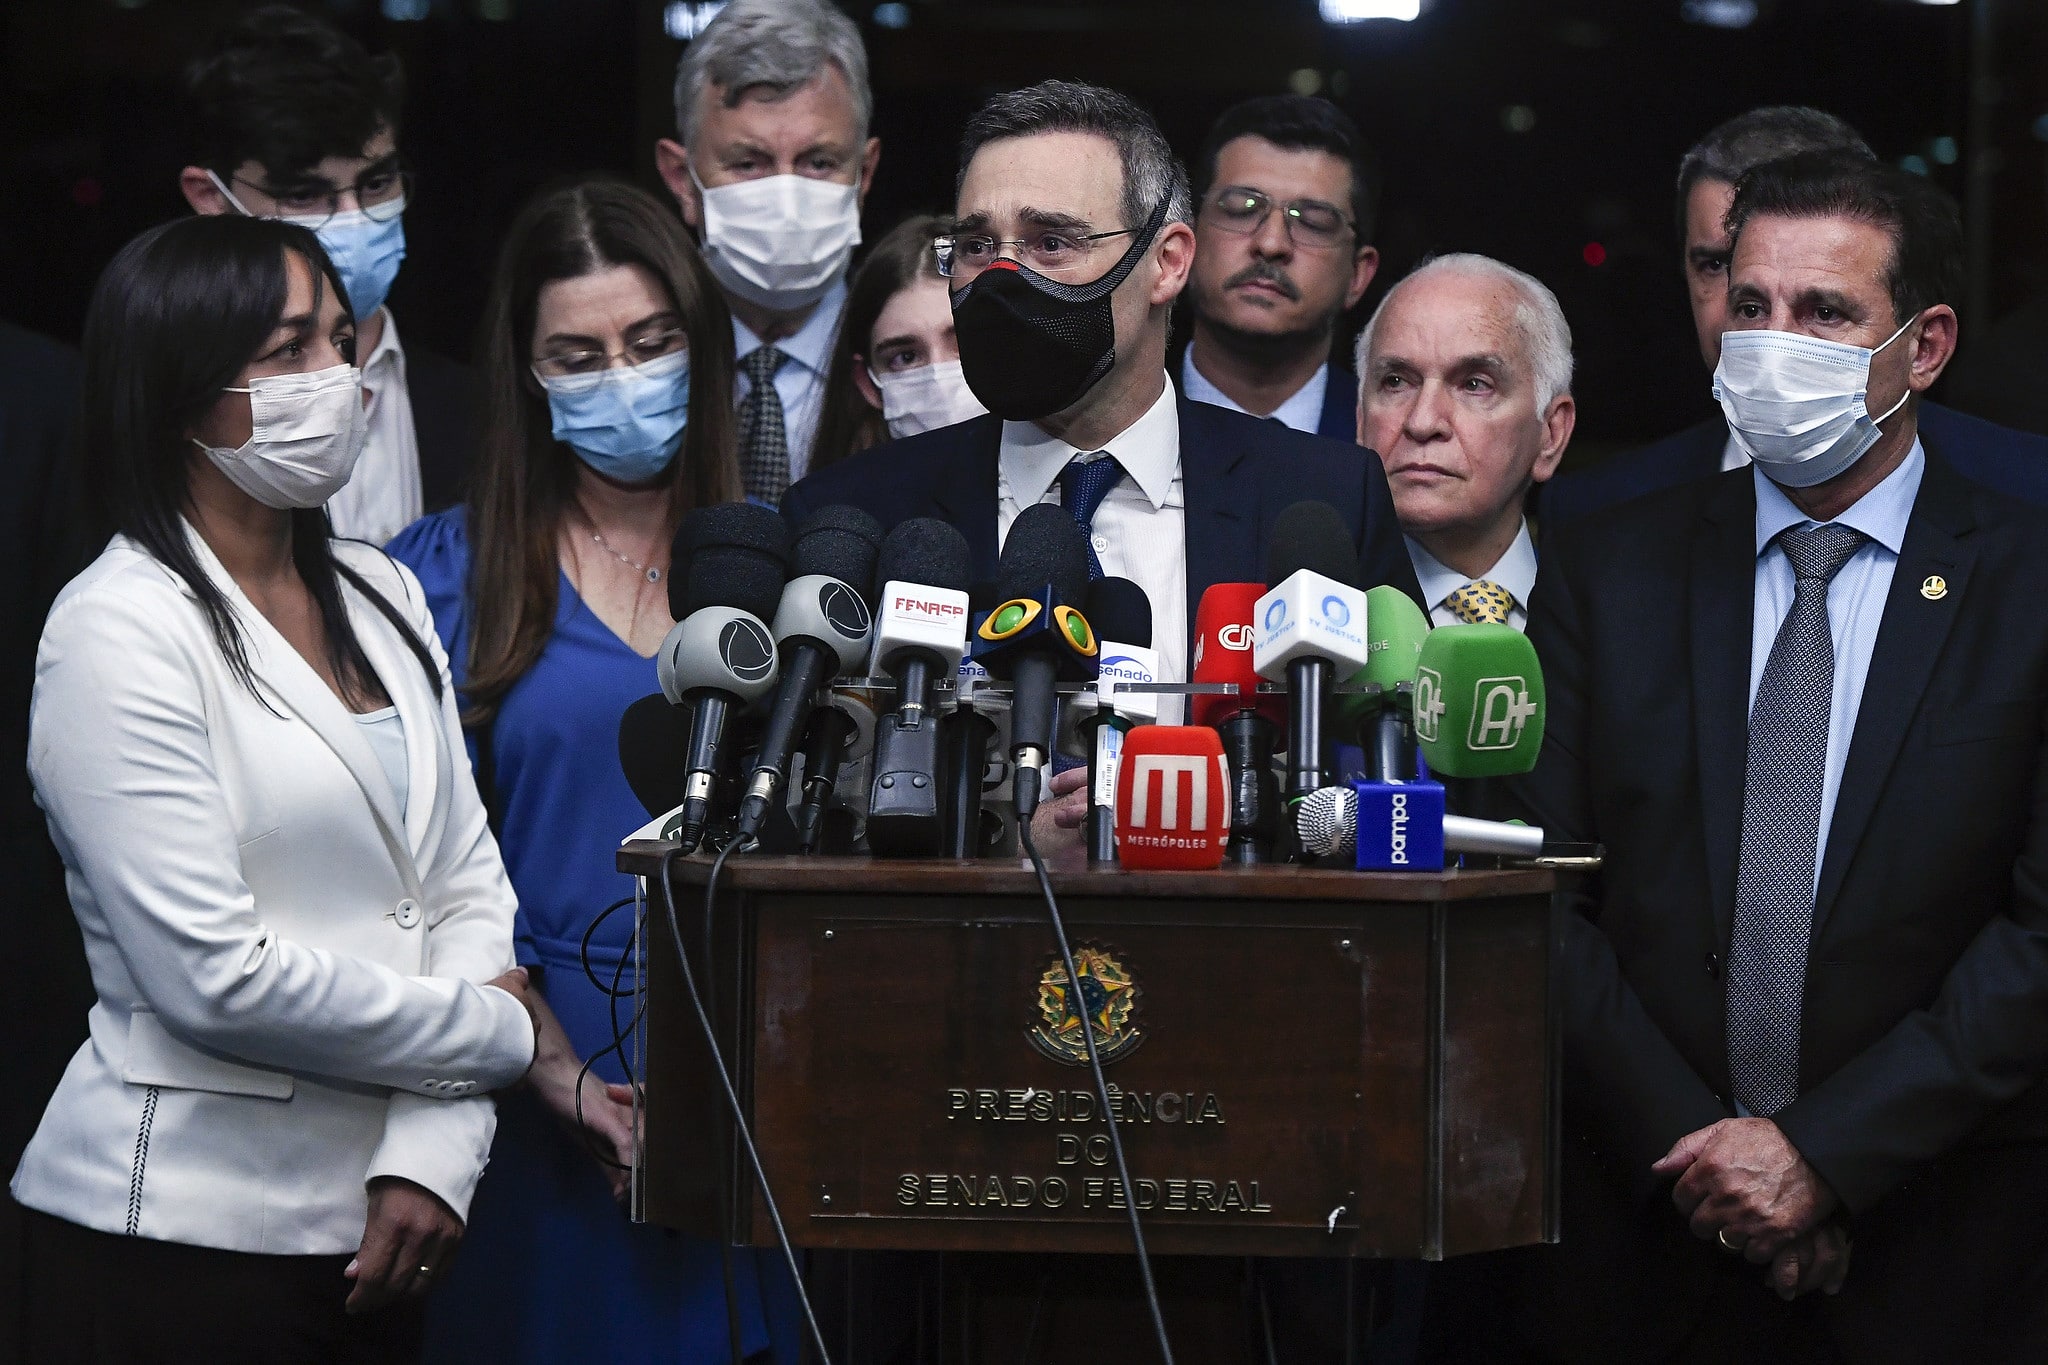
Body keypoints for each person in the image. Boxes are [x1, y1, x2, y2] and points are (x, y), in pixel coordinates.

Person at [1465, 151, 2048, 1361]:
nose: (1772, 343)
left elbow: (2035, 937)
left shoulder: (2026, 584)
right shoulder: (1603, 560)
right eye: (1749, 306)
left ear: (1924, 348)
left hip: (1941, 1242)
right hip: (1647, 1233)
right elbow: (1537, 891)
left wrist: (1824, 1158)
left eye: (1824, 313)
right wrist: (1712, 1165)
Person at [11, 214, 537, 1363]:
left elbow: (461, 887)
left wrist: (432, 1151)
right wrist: (492, 1033)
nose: (333, 380)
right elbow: (213, 981)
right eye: (287, 349)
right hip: (176, 1238)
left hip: (384, 1226)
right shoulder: (115, 628)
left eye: (340, 341)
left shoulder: (384, 588)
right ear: (180, 389)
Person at [386, 178, 800, 1363]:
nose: (621, 378)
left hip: (753, 1089)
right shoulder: (443, 579)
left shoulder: (784, 561)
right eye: (578, 354)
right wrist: (558, 1081)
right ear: (526, 372)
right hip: (523, 1082)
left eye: (650, 342)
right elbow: (413, 890)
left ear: (700, 344)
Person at [782, 78, 1415, 801]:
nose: (1002, 277)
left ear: (1168, 262)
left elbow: (1396, 789)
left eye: (1052, 241)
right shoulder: (854, 517)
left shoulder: (1325, 498)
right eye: (977, 244)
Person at [1542, 105, 2048, 527]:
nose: (1765, 330)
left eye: (1824, 308)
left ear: (1924, 345)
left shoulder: (2025, 493)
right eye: (1716, 265)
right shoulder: (1603, 514)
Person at [181, 5, 474, 544]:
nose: (352, 219)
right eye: (304, 195)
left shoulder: (477, 408)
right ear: (211, 198)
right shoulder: (172, 420)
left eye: (377, 184)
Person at [655, 0, 881, 504]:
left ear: (863, 176)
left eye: (819, 162)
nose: (787, 200)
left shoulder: (921, 364)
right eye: (748, 163)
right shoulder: (637, 367)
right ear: (682, 181)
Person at [1355, 254, 1574, 630]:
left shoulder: (1615, 619)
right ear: (1360, 421)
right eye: (1396, 382)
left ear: (1551, 434)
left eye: (1475, 384)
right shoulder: (1305, 625)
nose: (1422, 422)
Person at [1178, 94, 1381, 437]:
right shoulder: (1101, 426)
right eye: (1241, 208)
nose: (1271, 244)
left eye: (1313, 222)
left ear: (1358, 276)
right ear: (1183, 245)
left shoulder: (1389, 441)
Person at [811, 212, 986, 471]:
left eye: (964, 341)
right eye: (906, 357)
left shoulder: (1066, 495)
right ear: (868, 384)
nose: (939, 379)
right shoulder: (830, 505)